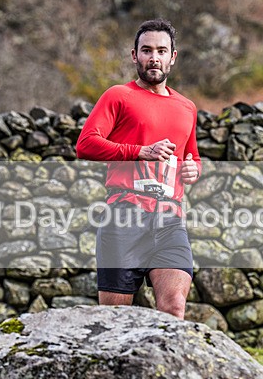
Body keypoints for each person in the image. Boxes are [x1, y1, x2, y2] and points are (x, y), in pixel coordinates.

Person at [75, 18, 201, 319]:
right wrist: (140, 152)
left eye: (161, 51)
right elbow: (86, 144)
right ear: (135, 56)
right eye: (146, 51)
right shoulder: (118, 96)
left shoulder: (187, 107)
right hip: (124, 216)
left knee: (174, 307)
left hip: (170, 218)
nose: (153, 58)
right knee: (115, 318)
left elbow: (191, 156)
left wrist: (194, 169)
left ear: (173, 57)